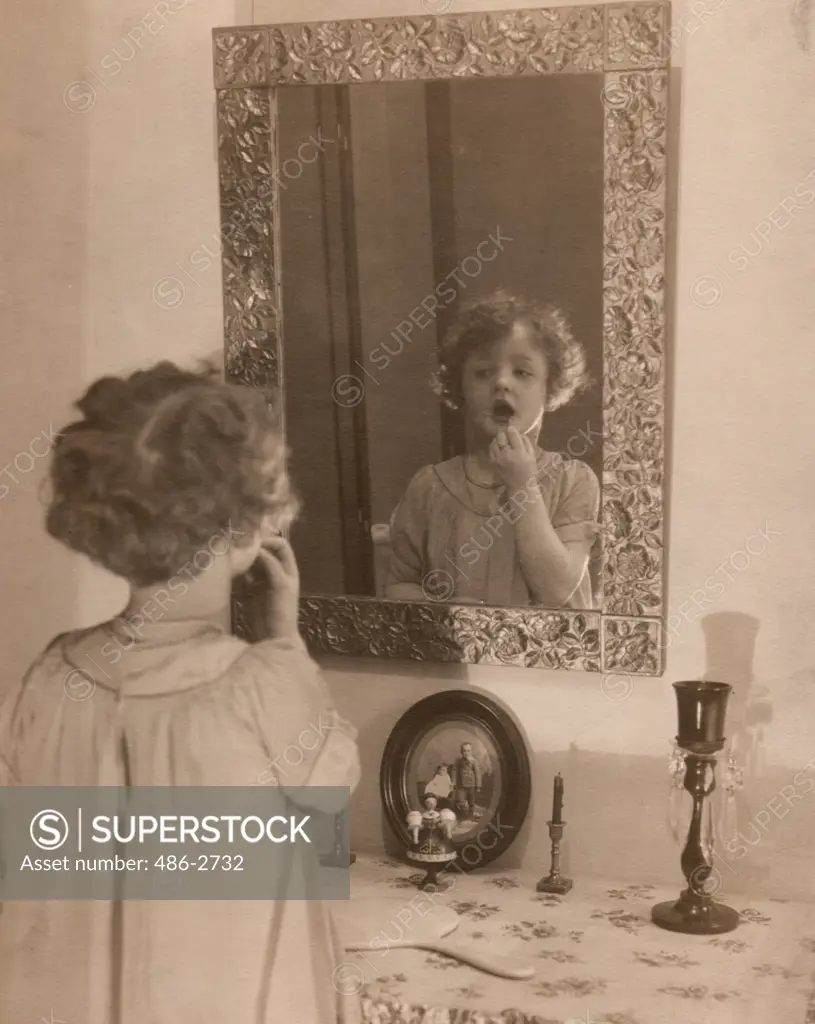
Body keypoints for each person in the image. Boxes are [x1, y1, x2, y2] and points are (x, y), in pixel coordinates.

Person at [0, 362, 361, 1024]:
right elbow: (325, 836)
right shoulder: (262, 684)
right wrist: (284, 642)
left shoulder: (50, 680)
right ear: (248, 527)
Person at [383, 290, 600, 608]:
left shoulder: (574, 481)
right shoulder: (429, 487)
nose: (501, 383)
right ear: (460, 387)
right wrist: (449, 607)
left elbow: (557, 594)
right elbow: (397, 588)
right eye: (482, 373)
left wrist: (522, 485)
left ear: (549, 386)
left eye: (522, 372)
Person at [452, 742, 482, 821]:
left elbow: (477, 773)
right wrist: (453, 782)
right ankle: (464, 816)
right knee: (461, 802)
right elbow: (455, 771)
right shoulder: (458, 760)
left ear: (471, 751)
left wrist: (478, 786)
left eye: (468, 751)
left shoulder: (473, 761)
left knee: (471, 802)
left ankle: (470, 816)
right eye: (464, 751)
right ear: (461, 752)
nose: (466, 753)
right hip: (461, 785)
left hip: (471, 785)